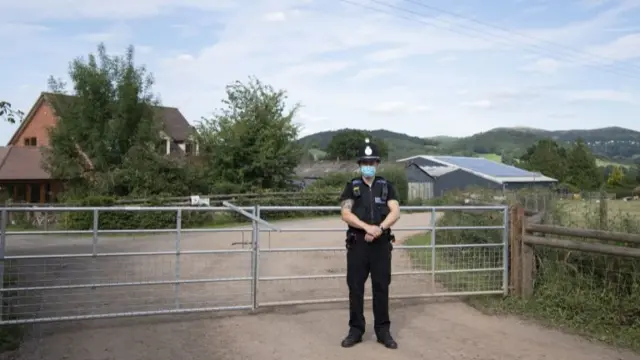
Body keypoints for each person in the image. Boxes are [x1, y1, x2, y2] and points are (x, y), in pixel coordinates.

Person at [338, 138, 401, 349]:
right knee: (355, 288)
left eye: (372, 163)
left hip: (381, 244)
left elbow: (396, 212)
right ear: (359, 165)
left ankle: (383, 331)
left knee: (381, 287)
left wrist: (379, 229)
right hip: (358, 245)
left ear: (377, 164)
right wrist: (367, 228)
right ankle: (356, 330)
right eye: (365, 163)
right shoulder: (352, 187)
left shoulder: (386, 187)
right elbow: (345, 213)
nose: (368, 166)